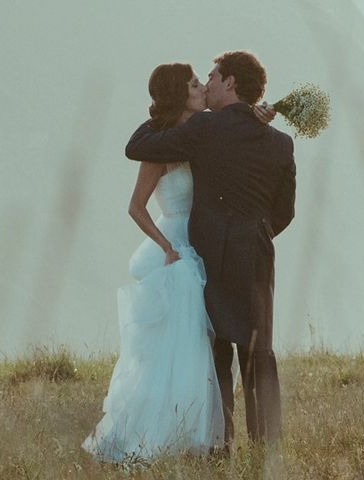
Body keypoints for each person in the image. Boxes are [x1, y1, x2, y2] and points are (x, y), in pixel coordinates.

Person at [125, 51, 296, 447]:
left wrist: (161, 112)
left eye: (213, 77)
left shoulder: (205, 128)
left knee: (217, 352)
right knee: (260, 352)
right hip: (256, 253)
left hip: (209, 251)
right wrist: (255, 234)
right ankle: (268, 449)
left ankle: (220, 443)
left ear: (231, 82)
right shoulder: (281, 142)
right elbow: (284, 212)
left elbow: (138, 146)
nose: (208, 84)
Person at [82, 64, 229, 462]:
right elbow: (135, 206)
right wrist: (166, 246)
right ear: (179, 95)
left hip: (199, 243)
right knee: (174, 343)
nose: (202, 89)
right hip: (175, 251)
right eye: (195, 84)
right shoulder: (159, 146)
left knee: (199, 343)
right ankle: (158, 435)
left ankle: (192, 434)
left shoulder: (200, 136)